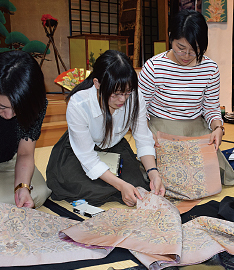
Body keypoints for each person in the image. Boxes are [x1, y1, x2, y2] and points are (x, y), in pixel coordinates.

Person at [138, 9, 234, 185]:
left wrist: (218, 128)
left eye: (194, 50)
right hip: (161, 131)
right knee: (170, 178)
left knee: (212, 177)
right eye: (181, 48)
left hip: (195, 130)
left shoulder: (210, 68)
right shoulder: (154, 67)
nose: (186, 56)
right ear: (171, 37)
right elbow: (139, 110)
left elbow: (210, 107)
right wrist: (147, 133)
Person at [46, 50, 165, 207]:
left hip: (113, 147)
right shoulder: (79, 104)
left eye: (127, 93)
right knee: (72, 183)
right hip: (77, 151)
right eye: (115, 94)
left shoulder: (136, 97)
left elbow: (143, 137)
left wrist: (153, 173)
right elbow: (87, 158)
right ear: (97, 83)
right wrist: (121, 185)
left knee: (138, 184)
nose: (122, 100)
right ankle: (117, 188)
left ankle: (119, 186)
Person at [0, 50, 51, 208]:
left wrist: (23, 187)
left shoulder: (35, 103)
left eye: (18, 110)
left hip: (7, 161)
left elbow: (25, 153)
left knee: (38, 192)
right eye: (1, 106)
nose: (9, 115)